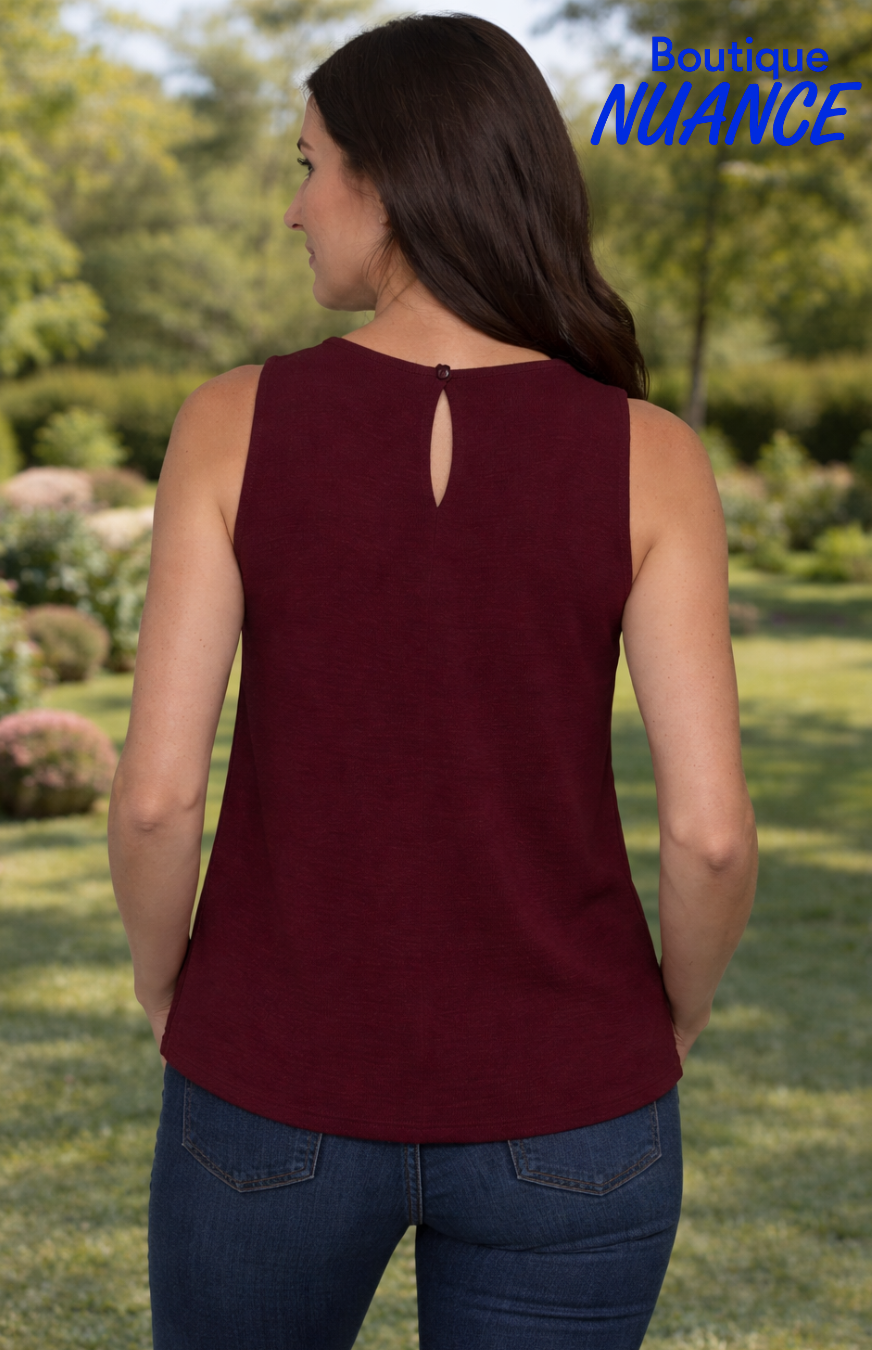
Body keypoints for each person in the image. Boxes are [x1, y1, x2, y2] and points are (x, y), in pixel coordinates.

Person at [107, 14, 758, 1349]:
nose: (295, 210)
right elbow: (709, 836)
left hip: (269, 1076)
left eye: (310, 167)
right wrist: (671, 1016)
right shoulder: (651, 454)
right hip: (574, 1097)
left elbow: (159, 799)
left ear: (392, 180)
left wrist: (166, 986)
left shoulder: (229, 423)